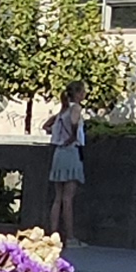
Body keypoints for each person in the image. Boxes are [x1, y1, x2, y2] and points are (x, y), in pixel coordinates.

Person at [44, 97, 91, 237]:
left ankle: (54, 233)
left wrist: (57, 133)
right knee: (68, 198)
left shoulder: (61, 112)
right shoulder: (75, 108)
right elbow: (74, 124)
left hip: (59, 153)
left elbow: (46, 126)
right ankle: (70, 236)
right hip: (71, 152)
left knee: (58, 198)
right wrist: (72, 136)